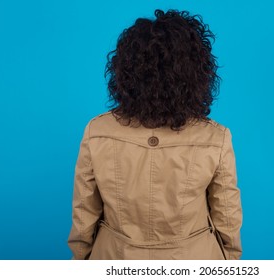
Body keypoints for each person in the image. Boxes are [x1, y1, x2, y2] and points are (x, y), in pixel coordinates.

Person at [67, 8, 242, 260]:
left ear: (126, 71)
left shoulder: (98, 132)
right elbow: (227, 218)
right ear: (195, 73)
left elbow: (84, 216)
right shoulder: (215, 138)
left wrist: (81, 259)